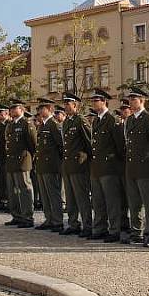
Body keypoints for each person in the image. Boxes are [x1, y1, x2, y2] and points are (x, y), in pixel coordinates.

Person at [124, 87, 149, 247]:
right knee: (134, 202)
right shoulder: (130, 120)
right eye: (130, 99)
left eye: (134, 99)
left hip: (146, 167)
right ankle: (136, 231)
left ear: (142, 101)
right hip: (132, 167)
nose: (131, 102)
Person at [89, 89, 126, 243]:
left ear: (104, 101)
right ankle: (99, 228)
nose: (93, 103)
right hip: (97, 167)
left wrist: (115, 164)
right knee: (98, 201)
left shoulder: (112, 120)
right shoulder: (97, 120)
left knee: (112, 201)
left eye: (96, 100)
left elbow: (119, 145)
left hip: (109, 167)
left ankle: (114, 229)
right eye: (93, 101)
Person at [60, 92, 93, 237]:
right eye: (65, 104)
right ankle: (73, 223)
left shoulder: (81, 120)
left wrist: (86, 161)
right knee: (70, 198)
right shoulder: (67, 122)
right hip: (68, 164)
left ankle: (87, 224)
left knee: (82, 197)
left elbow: (89, 142)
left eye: (68, 104)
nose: (66, 106)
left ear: (75, 105)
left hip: (79, 165)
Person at [4, 99, 37, 228]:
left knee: (25, 189)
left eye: (15, 108)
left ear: (21, 109)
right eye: (11, 109)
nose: (12, 111)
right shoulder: (10, 125)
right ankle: (16, 215)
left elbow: (33, 144)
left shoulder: (26, 123)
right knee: (13, 191)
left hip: (23, 161)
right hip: (12, 161)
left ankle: (27, 217)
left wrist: (30, 158)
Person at [34, 99, 64, 231]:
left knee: (53, 194)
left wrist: (58, 164)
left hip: (51, 165)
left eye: (43, 108)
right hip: (41, 165)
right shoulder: (42, 125)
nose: (40, 111)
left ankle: (57, 221)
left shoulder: (54, 124)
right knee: (45, 195)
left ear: (49, 109)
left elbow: (61, 146)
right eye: (39, 108)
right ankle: (49, 219)